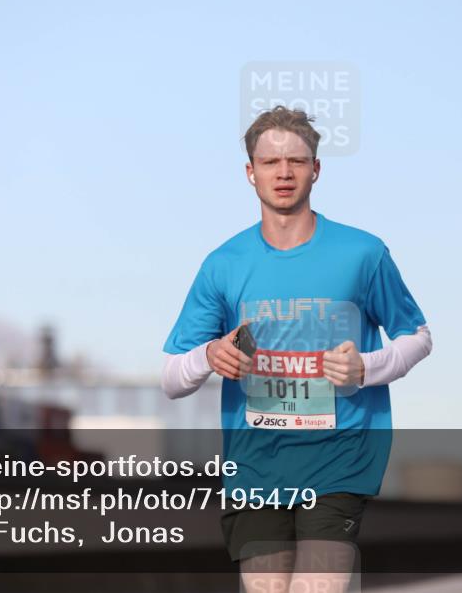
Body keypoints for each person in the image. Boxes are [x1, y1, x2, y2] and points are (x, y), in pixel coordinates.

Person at [161, 105, 432, 592]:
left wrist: (366, 367)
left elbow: (418, 337)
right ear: (250, 173)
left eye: (297, 161)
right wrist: (207, 357)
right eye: (269, 162)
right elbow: (170, 378)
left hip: (340, 460)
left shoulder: (363, 254)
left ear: (316, 169)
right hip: (254, 467)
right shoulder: (223, 264)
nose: (283, 172)